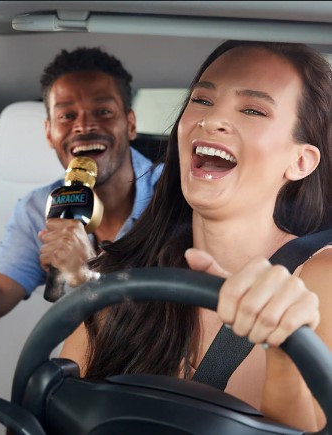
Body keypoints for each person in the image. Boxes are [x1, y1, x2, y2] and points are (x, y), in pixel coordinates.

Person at [59, 40, 332, 431]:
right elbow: (52, 408)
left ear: (300, 161)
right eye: (202, 101)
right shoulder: (125, 280)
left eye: (253, 109)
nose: (211, 120)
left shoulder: (321, 279)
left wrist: (286, 351)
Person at [0, 47, 162, 327]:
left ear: (130, 124)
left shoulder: (178, 195)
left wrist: (84, 277)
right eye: (66, 116)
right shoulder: (39, 207)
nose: (84, 126)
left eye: (103, 111)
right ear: (49, 133)